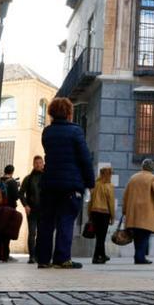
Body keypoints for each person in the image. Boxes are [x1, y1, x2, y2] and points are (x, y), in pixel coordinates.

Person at [36, 97, 95, 269]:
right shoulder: (76, 131)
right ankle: (61, 258)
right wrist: (90, 181)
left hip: (49, 183)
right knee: (66, 220)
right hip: (71, 184)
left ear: (52, 113)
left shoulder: (47, 132)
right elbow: (85, 158)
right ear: (69, 113)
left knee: (47, 221)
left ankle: (43, 259)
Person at [122, 159, 154, 265]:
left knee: (137, 236)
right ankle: (140, 257)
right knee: (144, 236)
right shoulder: (152, 178)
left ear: (142, 166)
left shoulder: (133, 178)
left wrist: (125, 211)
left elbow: (125, 196)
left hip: (133, 213)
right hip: (146, 212)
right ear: (152, 168)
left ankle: (138, 256)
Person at [0, 164, 19, 262]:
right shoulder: (13, 182)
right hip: (9, 210)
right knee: (6, 233)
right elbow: (16, 196)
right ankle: (4, 256)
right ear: (12, 172)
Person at [88, 166, 116, 264]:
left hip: (94, 213)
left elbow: (90, 202)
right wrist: (112, 217)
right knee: (101, 237)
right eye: (110, 174)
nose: (111, 176)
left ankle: (103, 255)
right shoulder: (109, 186)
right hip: (104, 214)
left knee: (99, 236)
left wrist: (89, 215)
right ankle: (96, 257)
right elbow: (111, 203)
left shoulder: (95, 185)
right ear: (107, 174)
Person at [20, 155, 44, 264]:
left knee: (42, 234)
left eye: (40, 162)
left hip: (44, 210)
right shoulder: (28, 179)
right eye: (36, 163)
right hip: (32, 210)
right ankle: (32, 256)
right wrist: (26, 205)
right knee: (32, 233)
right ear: (33, 164)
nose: (38, 165)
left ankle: (40, 255)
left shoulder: (47, 177)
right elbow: (21, 194)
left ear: (43, 164)